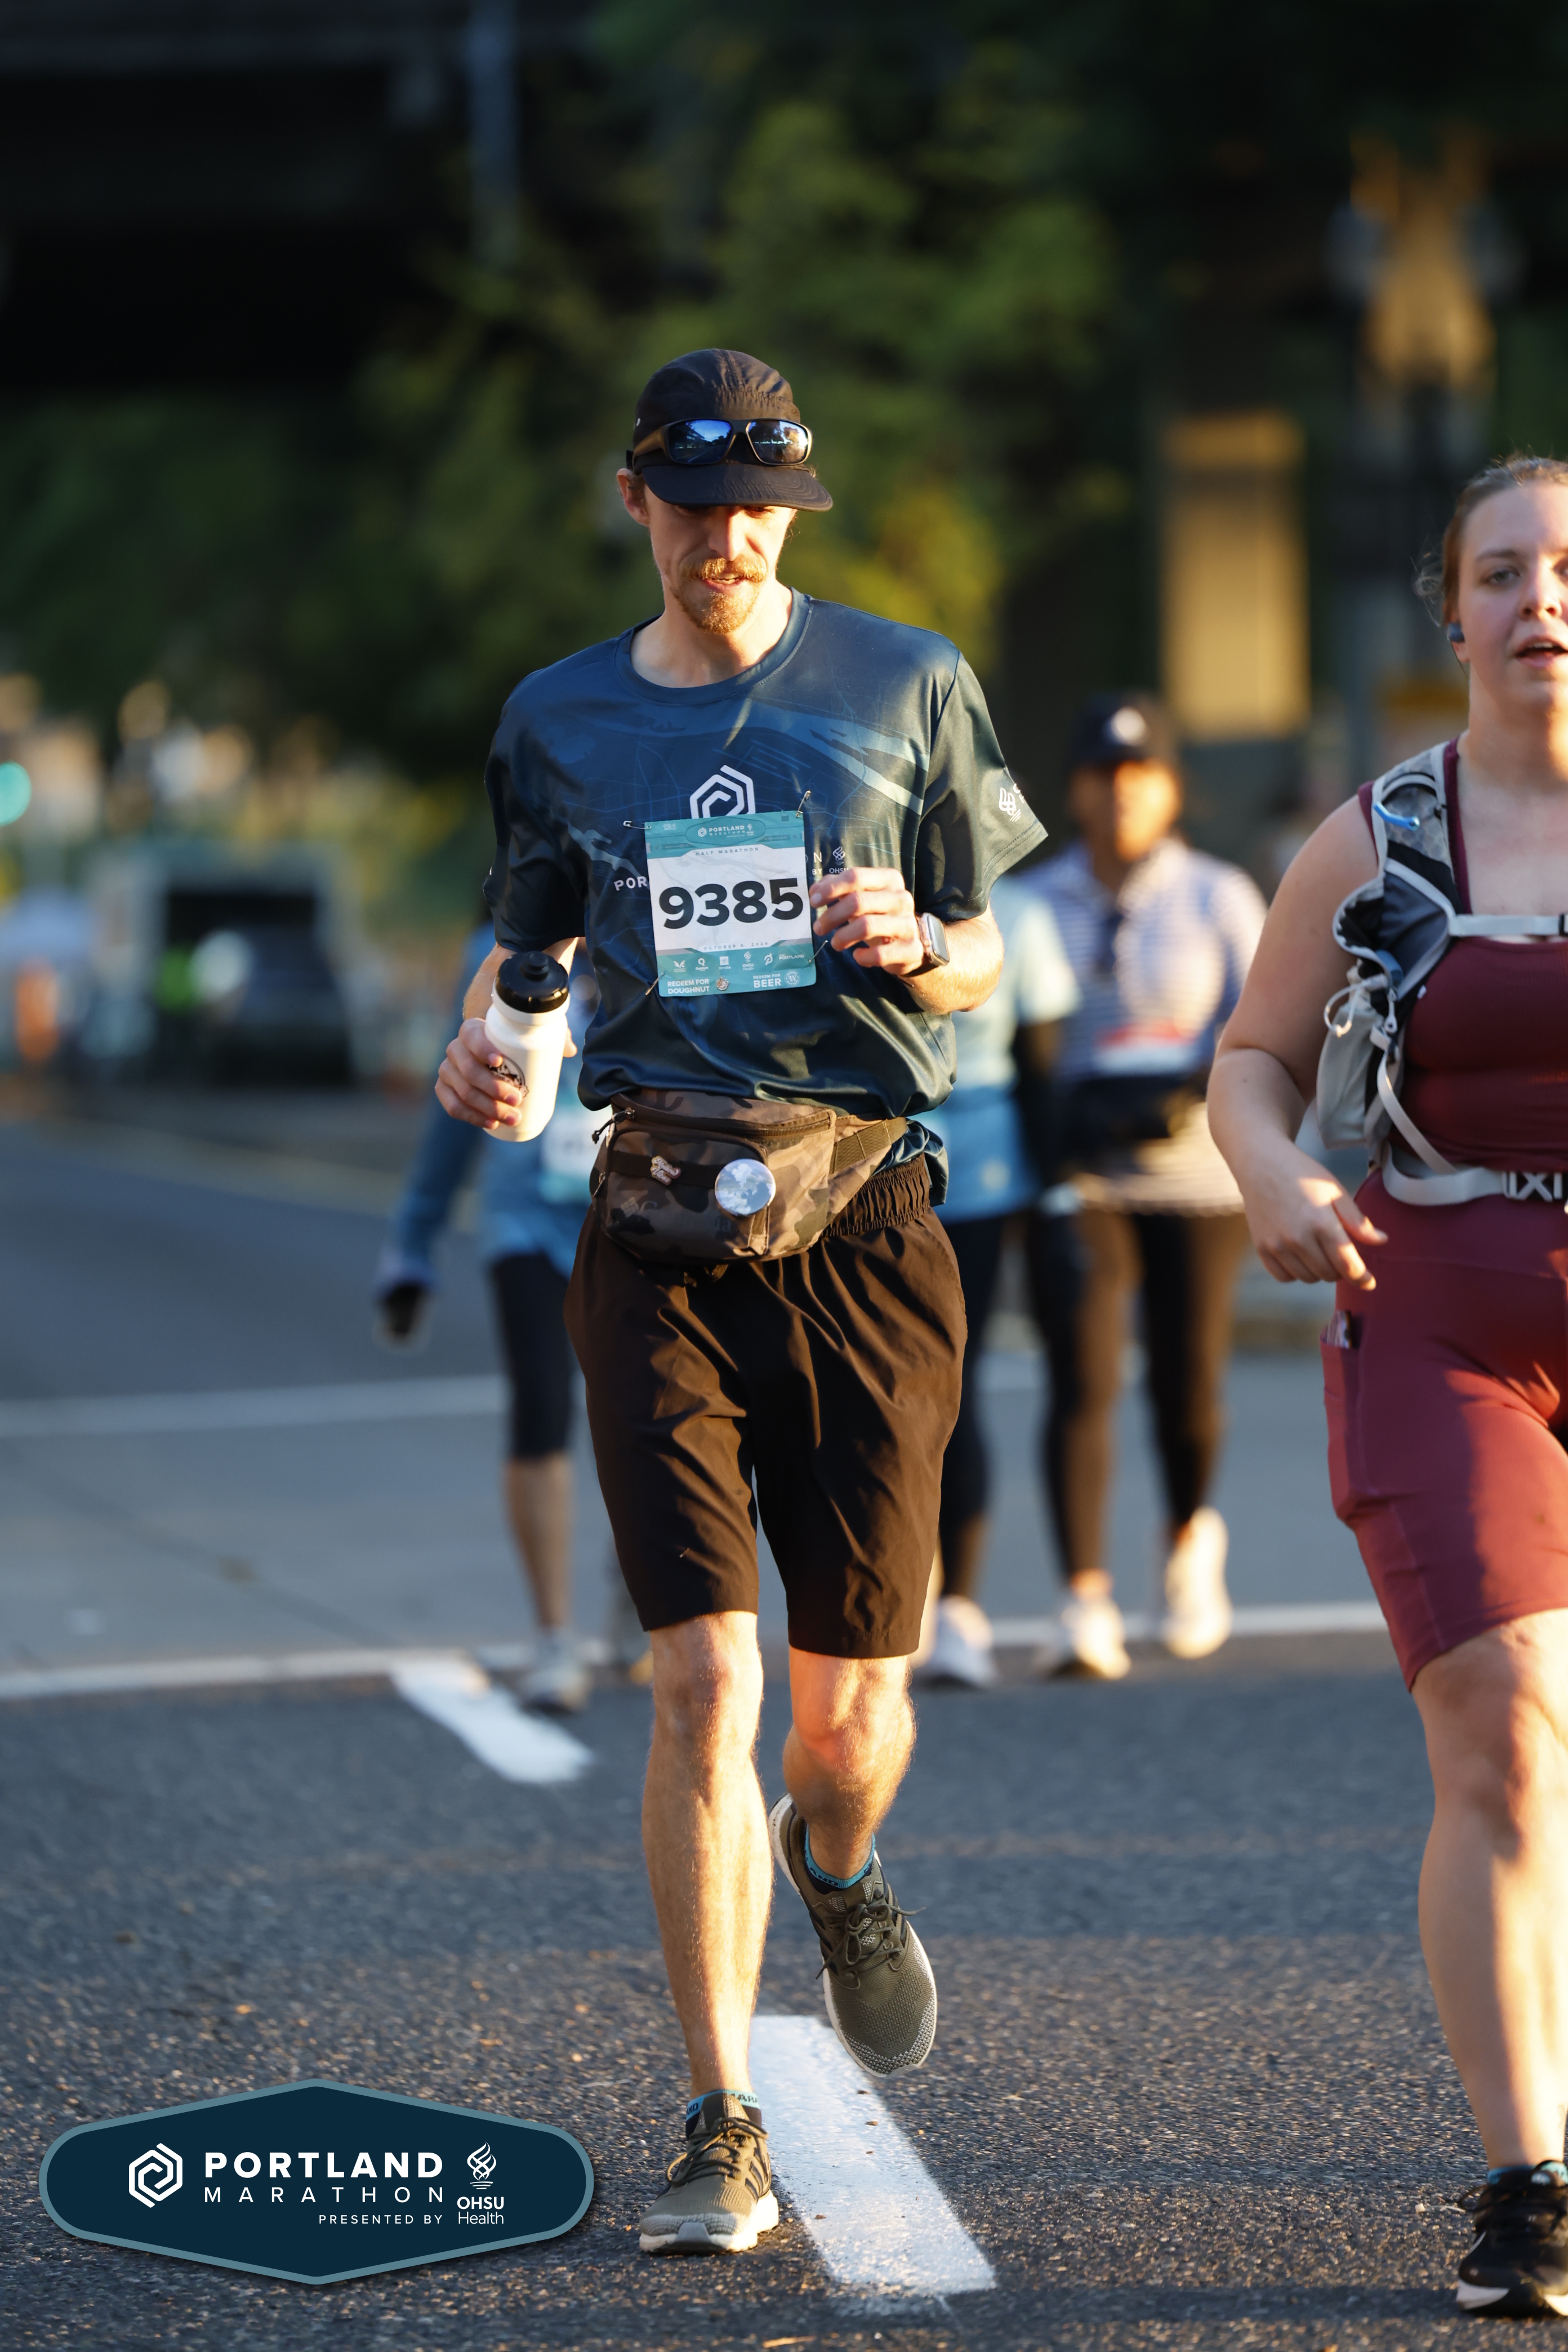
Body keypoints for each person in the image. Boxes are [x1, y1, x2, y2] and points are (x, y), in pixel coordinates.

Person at [434, 345, 1042, 2256]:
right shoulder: (556, 718)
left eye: (763, 506)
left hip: (867, 1213)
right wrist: (487, 1040)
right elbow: (529, 952)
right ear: (638, 500)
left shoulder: (905, 681)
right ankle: (723, 2117)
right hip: (656, 1219)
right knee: (702, 1674)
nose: (731, 538)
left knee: (843, 1727)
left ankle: (838, 1865)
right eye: (697, 505)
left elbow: (986, 947)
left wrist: (921, 941)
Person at [1210, 453, 1568, 2319]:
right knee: (1502, 1731)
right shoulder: (1378, 839)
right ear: (1454, 614)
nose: (1541, 601)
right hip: (1440, 1312)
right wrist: (1272, 1170)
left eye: (1567, 569)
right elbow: (1251, 1060)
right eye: (1501, 572)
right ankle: (1532, 2183)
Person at [1021, 692, 1265, 1679]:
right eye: (1103, 775)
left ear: (1171, 788)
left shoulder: (1217, 895)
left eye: (1141, 774)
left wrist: (1189, 1085)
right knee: (1081, 1373)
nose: (1121, 793)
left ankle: (1189, 1537)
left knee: (1185, 1379)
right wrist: (1062, 1112)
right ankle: (1084, 1598)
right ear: (1075, 789)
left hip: (1197, 1173)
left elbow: (1264, 1018)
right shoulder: (1036, 899)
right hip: (1082, 1175)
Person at [374, 930, 642, 1711]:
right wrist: (412, 1243)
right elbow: (452, 1101)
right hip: (526, 1215)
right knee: (541, 1405)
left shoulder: (657, 917)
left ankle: (643, 1593)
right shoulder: (501, 949)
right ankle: (554, 1636)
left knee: (649, 1417)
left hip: (642, 1209)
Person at [915, 874, 1079, 1687]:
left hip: (980, 1172)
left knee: (954, 1380)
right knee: (882, 1390)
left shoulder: (1019, 913)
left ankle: (958, 1608)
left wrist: (1057, 1195)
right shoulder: (849, 885)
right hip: (861, 1164)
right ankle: (902, 1587)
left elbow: (1040, 1063)